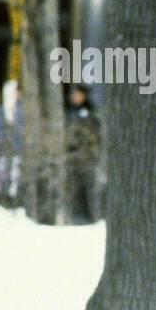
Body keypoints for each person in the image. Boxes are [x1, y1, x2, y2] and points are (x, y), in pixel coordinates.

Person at [0, 79, 25, 202]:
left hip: (18, 150)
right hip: (3, 150)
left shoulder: (22, 110)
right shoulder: (1, 110)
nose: (18, 94)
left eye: (18, 92)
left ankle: (13, 200)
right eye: (15, 92)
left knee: (15, 176)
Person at [65, 84, 100, 223]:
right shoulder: (70, 111)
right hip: (73, 156)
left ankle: (90, 216)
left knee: (88, 187)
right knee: (75, 188)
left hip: (87, 156)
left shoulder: (90, 111)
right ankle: (77, 216)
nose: (75, 97)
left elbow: (94, 134)